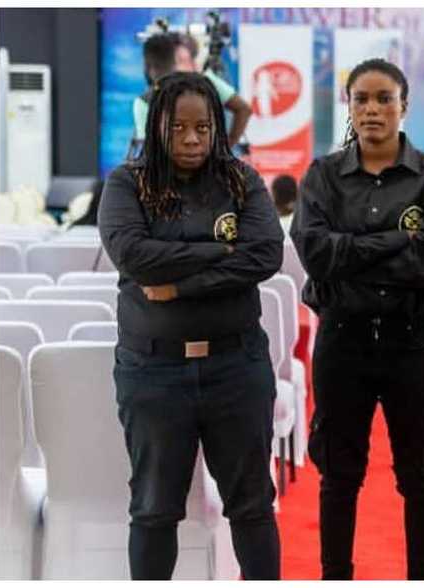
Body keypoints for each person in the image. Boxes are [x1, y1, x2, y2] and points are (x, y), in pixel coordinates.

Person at [98, 71, 284, 580]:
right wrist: (218, 250)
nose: (192, 138)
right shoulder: (127, 183)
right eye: (179, 127)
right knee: (155, 509)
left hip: (236, 366)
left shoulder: (240, 180)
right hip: (153, 372)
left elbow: (265, 254)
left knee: (251, 505)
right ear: (157, 124)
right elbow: (134, 257)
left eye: (203, 127)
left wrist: (179, 284)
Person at [290, 58, 424, 581]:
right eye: (361, 98)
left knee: (420, 475)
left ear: (404, 106)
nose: (372, 109)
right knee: (339, 474)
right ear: (350, 106)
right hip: (343, 342)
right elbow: (316, 254)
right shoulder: (322, 176)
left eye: (384, 98)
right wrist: (395, 244)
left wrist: (352, 248)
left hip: (413, 342)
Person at [133, 33, 251, 150]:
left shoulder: (206, 80)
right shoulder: (145, 102)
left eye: (190, 60)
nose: (193, 66)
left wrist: (225, 148)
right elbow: (147, 150)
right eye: (182, 61)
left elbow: (243, 109)